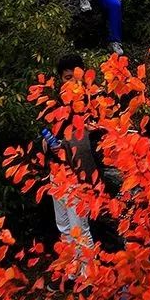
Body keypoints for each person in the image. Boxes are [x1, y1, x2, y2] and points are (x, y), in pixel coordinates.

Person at [43, 54, 98, 271]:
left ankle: (91, 279)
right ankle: (74, 274)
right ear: (60, 79)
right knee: (64, 226)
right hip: (57, 174)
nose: (72, 83)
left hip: (78, 176)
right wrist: (47, 145)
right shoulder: (56, 106)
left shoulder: (90, 106)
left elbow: (85, 145)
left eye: (76, 78)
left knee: (80, 228)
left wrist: (63, 147)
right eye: (67, 78)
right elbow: (50, 136)